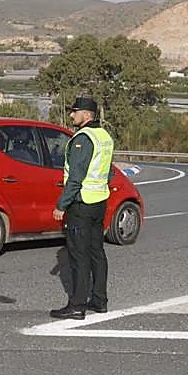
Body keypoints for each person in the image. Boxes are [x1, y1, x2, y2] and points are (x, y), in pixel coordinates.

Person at [50, 96, 115, 320]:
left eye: (74, 112)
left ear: (86, 115)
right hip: (99, 203)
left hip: (82, 204)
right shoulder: (104, 136)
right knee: (97, 252)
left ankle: (77, 306)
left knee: (79, 256)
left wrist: (61, 205)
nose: (71, 115)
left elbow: (75, 177)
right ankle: (99, 300)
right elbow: (110, 172)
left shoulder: (83, 139)